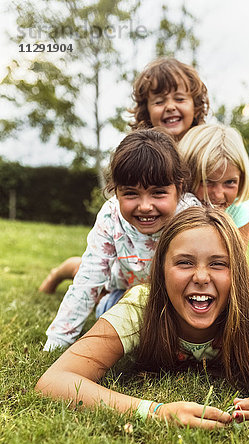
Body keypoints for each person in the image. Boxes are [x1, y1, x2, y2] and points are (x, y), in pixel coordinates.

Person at [36, 207, 249, 429]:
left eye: (219, 264)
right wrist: (153, 411)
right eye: (184, 262)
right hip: (114, 292)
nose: (200, 276)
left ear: (237, 272)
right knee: (99, 283)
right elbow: (54, 380)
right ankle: (64, 270)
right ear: (160, 270)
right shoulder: (140, 307)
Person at [39, 57, 210, 295]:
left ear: (196, 106)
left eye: (179, 99)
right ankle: (61, 272)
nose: (170, 106)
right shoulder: (141, 152)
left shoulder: (205, 152)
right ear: (147, 110)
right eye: (160, 101)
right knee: (100, 283)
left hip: (175, 246)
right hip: (132, 257)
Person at [43, 128, 200, 351]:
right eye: (131, 194)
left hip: (165, 297)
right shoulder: (111, 216)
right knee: (94, 288)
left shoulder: (191, 217)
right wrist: (58, 341)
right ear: (116, 193)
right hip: (119, 285)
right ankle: (59, 273)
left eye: (158, 193)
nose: (145, 206)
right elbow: (88, 282)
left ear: (180, 188)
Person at [179, 124, 249, 245]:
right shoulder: (173, 204)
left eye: (230, 182)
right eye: (206, 181)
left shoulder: (240, 206)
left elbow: (237, 260)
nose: (218, 195)